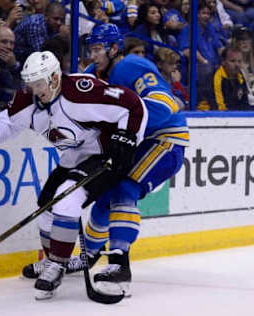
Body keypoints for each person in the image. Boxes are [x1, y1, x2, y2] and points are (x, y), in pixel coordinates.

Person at [0, 50, 149, 299]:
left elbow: (133, 105)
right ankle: (53, 260)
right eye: (30, 83)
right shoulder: (30, 100)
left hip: (105, 156)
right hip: (72, 160)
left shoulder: (80, 92)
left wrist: (127, 138)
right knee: (45, 207)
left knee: (65, 199)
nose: (34, 90)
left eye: (39, 84)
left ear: (55, 78)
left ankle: (57, 266)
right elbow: (8, 123)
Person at [18, 23, 187, 297]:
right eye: (90, 49)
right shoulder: (91, 74)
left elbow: (165, 105)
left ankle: (120, 265)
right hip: (133, 143)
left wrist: (124, 130)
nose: (93, 55)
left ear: (114, 49)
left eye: (98, 49)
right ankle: (89, 256)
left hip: (165, 140)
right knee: (103, 194)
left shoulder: (131, 67)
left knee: (124, 189)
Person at [211, 46, 254, 110]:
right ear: (223, 62)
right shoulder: (217, 78)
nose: (237, 65)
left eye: (239, 61)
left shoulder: (240, 76)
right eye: (232, 61)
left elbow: (244, 102)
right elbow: (219, 107)